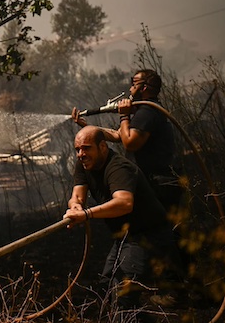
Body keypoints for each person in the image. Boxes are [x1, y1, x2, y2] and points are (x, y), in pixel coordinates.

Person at [64, 126, 181, 320]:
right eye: (77, 149)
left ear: (102, 146)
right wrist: (75, 205)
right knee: (106, 290)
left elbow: (124, 203)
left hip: (149, 235)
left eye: (86, 148)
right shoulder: (85, 163)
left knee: (123, 297)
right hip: (126, 236)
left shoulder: (118, 167)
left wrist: (86, 214)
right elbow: (77, 195)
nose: (81, 154)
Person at [72, 69, 183, 215]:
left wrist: (124, 116)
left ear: (143, 87)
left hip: (158, 184)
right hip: (153, 182)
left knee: (162, 228)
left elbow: (130, 142)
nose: (130, 88)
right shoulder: (145, 110)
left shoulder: (147, 112)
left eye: (134, 83)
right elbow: (119, 135)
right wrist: (90, 130)